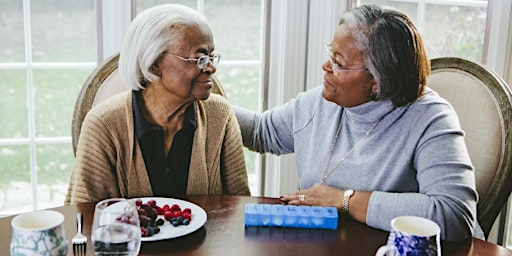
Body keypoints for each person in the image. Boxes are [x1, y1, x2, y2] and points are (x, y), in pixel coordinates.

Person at [235, 4, 479, 241]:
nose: (326, 66)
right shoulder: (320, 104)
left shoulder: (431, 118)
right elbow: (260, 131)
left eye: (339, 63)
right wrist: (205, 100)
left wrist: (344, 200)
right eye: (331, 54)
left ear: (377, 81)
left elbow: (454, 214)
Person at [65, 4, 250, 204]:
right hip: (127, 237)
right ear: (154, 63)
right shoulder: (103, 124)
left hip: (209, 237)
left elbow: (239, 207)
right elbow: (85, 216)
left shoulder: (220, 115)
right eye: (199, 58)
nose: (211, 68)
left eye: (211, 57)